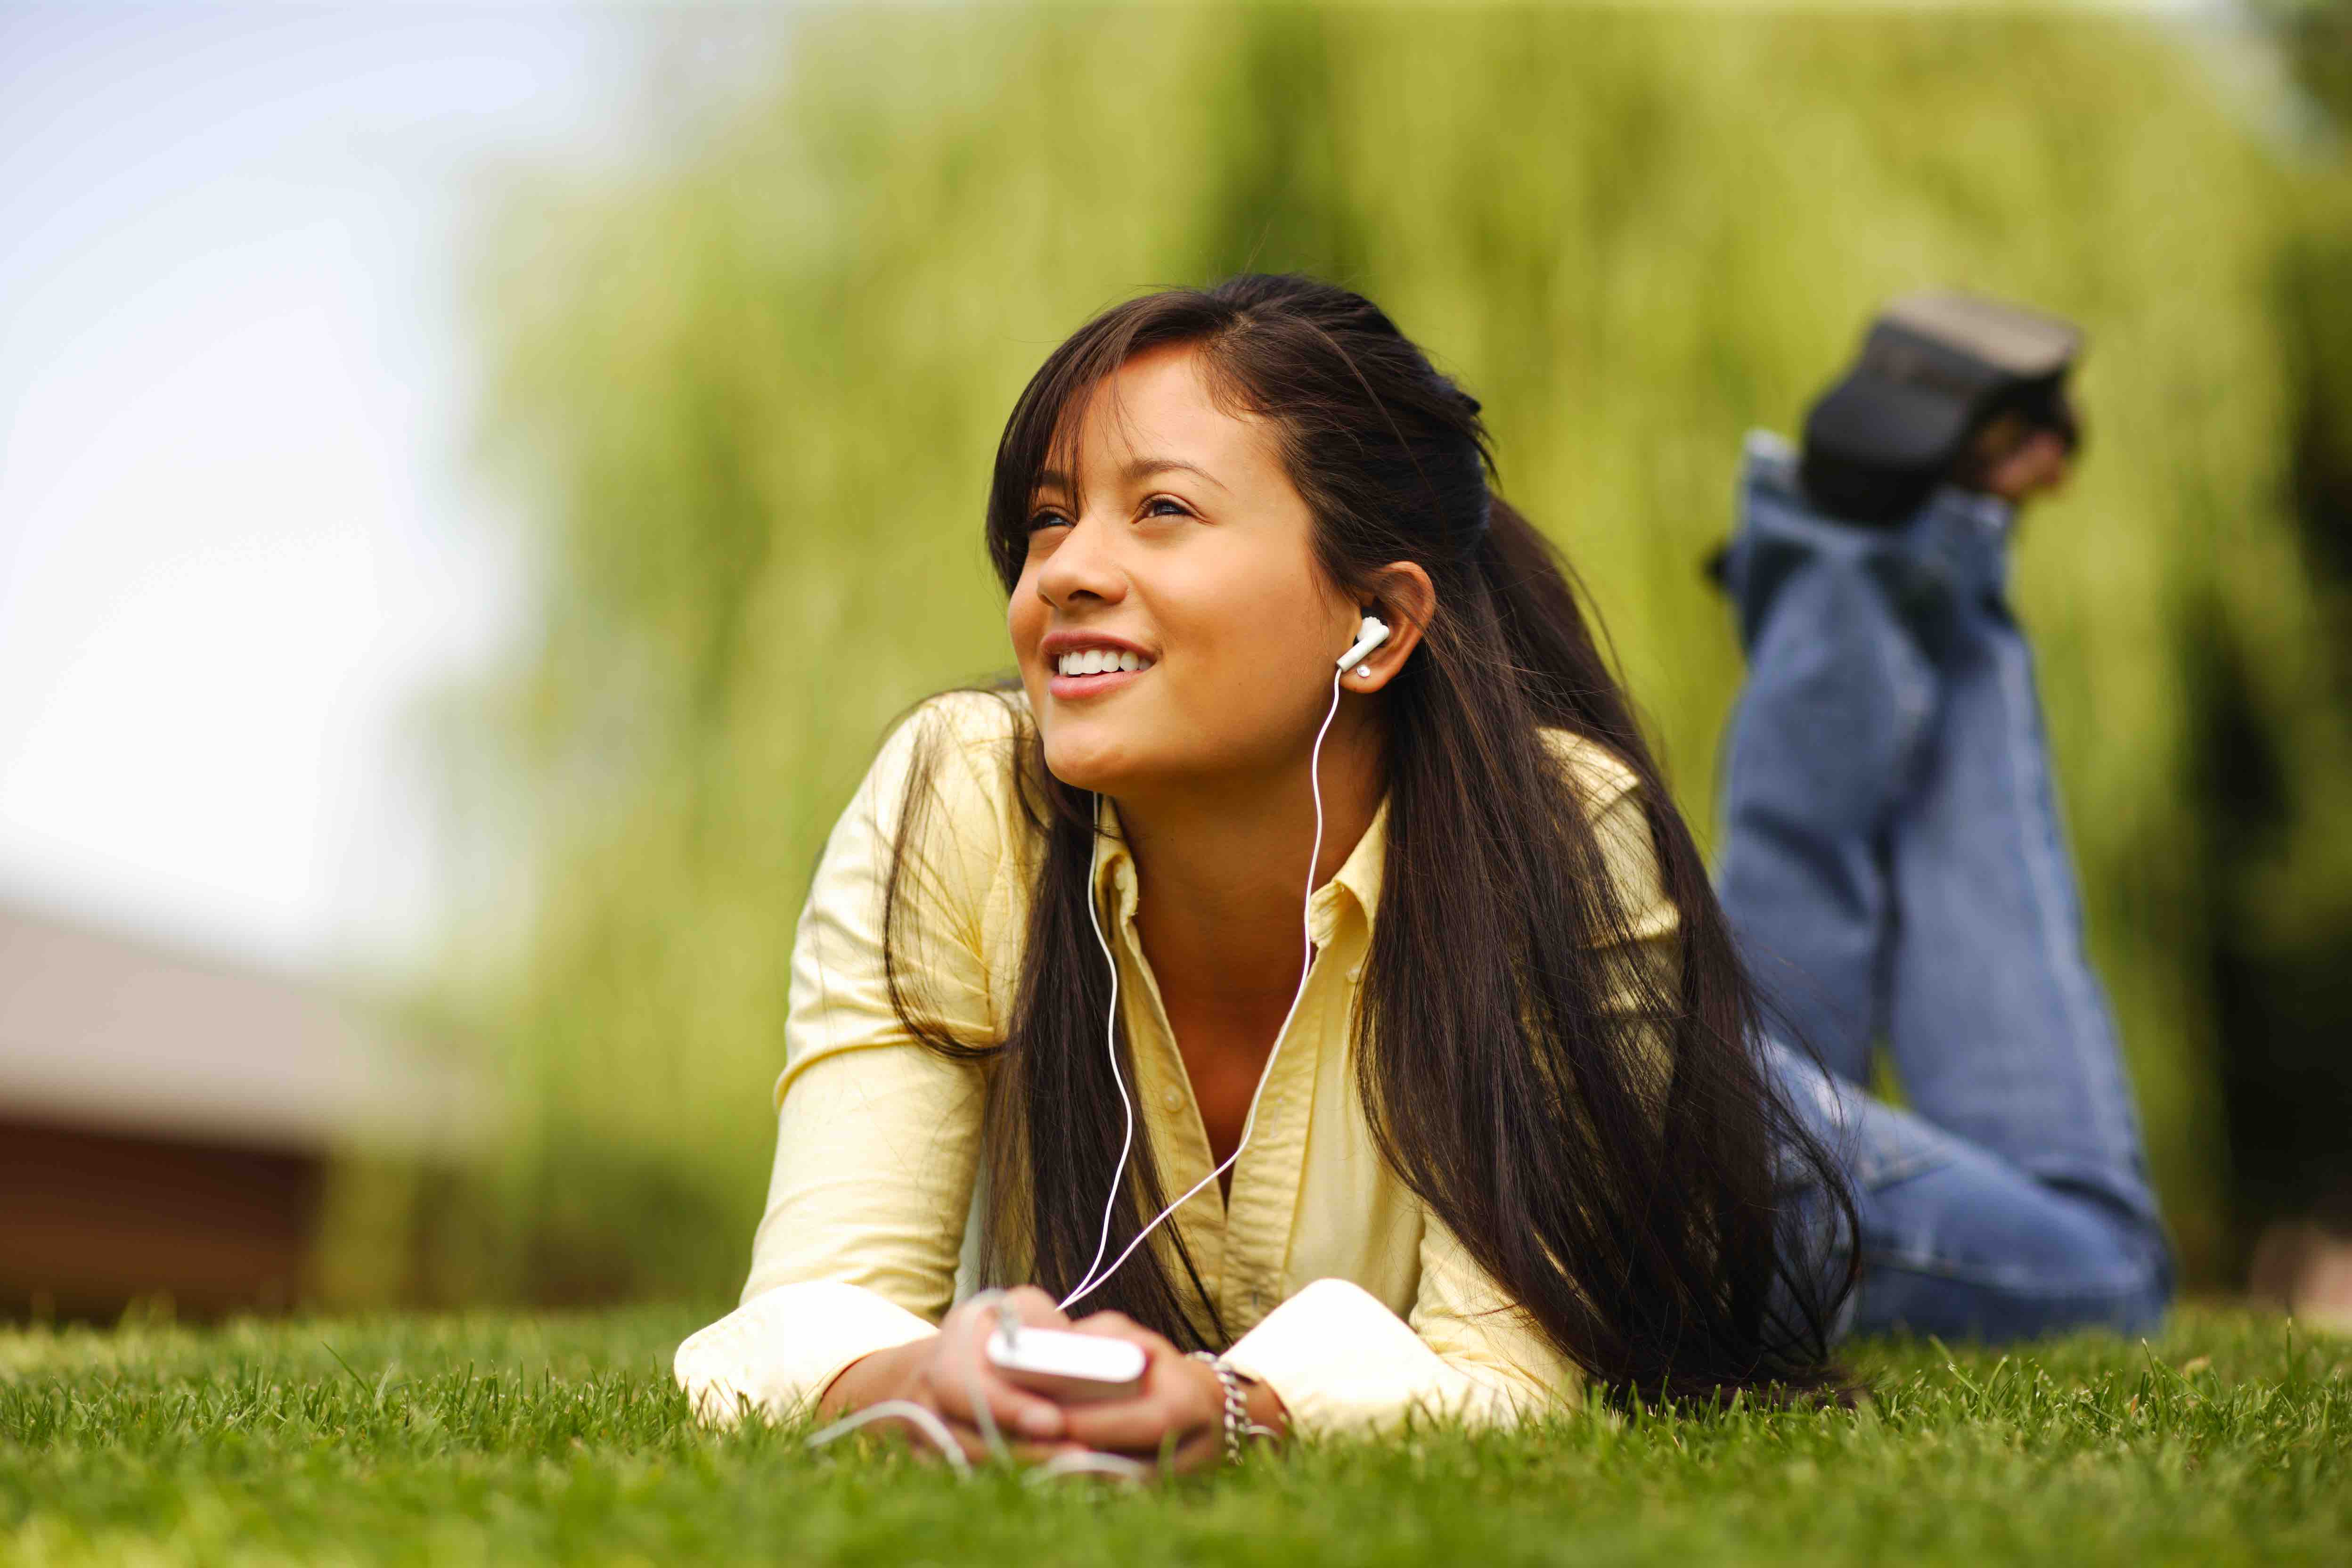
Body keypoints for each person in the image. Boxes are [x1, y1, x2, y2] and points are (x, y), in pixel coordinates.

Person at [1715, 401, 2174, 1343]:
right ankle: (1866, 554)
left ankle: (1883, 554)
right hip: (1670, 1118)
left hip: (1676, 1149)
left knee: (2094, 1248)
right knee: (2107, 1262)